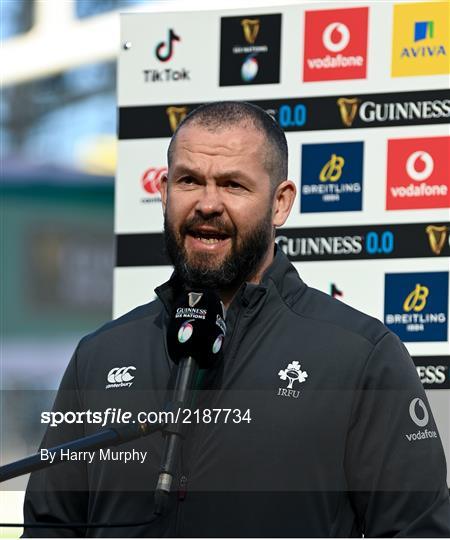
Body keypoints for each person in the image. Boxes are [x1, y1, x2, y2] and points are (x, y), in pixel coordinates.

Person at [23, 101, 450, 537]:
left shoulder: (361, 356)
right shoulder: (100, 354)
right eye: (189, 180)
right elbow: (49, 528)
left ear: (280, 204)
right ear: (165, 190)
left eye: (233, 185)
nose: (208, 204)